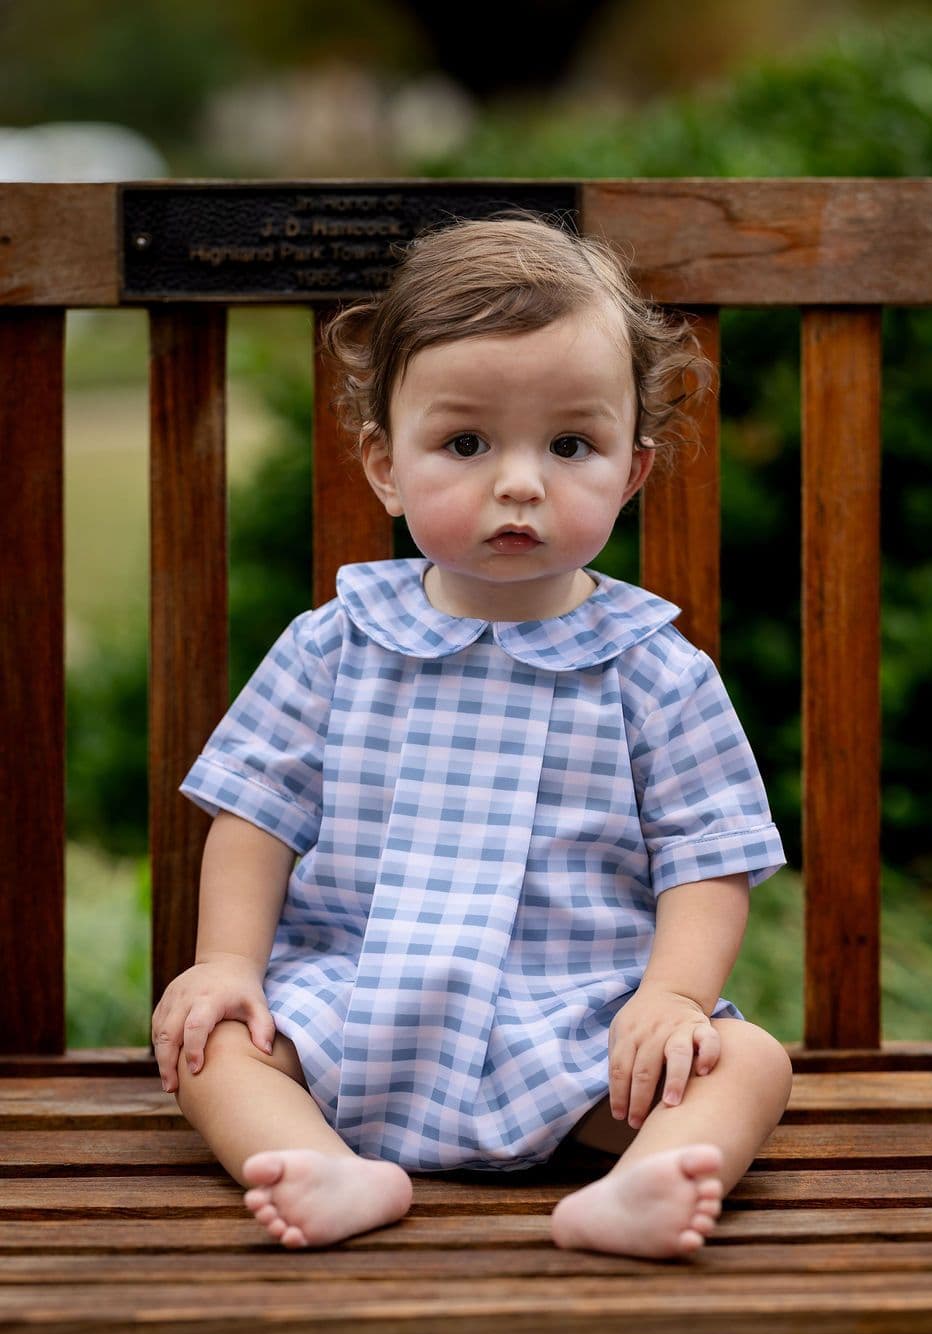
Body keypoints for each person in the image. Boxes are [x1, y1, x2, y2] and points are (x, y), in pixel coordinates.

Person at [152, 210, 793, 1263]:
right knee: (210, 1040)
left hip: (571, 1029)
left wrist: (670, 997)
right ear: (384, 467)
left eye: (569, 444)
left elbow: (708, 859)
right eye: (465, 443)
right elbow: (253, 813)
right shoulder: (335, 644)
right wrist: (227, 961)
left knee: (746, 1058)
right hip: (352, 1010)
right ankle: (320, 1159)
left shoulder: (655, 671)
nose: (519, 482)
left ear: (630, 472)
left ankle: (640, 1183)